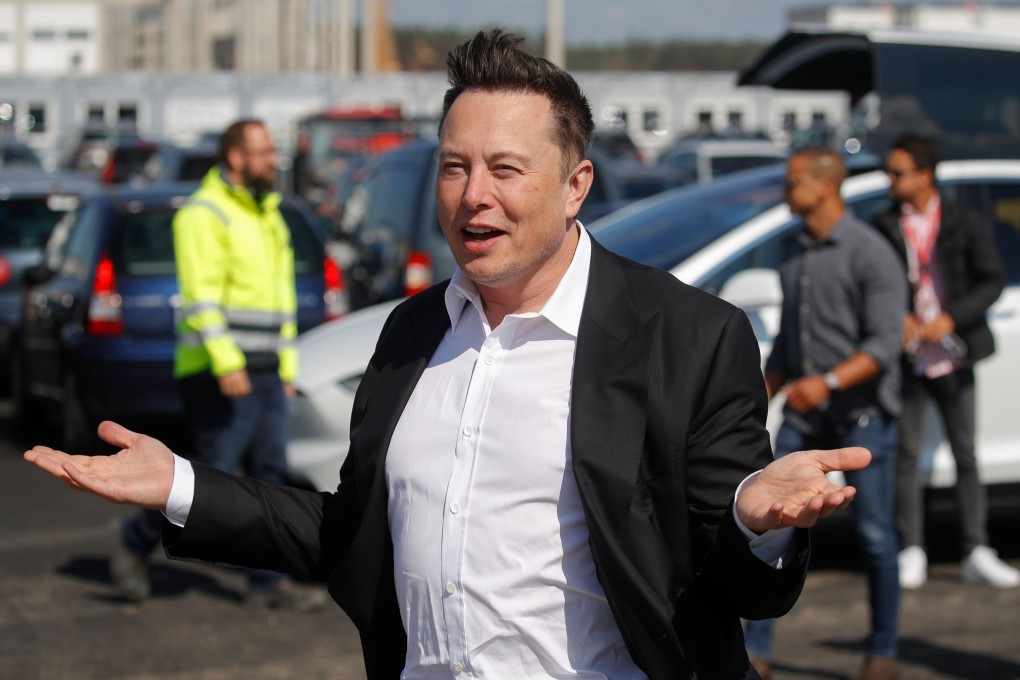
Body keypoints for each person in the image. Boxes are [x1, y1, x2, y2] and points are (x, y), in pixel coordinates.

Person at [27, 31, 873, 680]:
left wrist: (752, 524)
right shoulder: (410, 334)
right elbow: (350, 531)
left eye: (507, 169)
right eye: (456, 167)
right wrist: (180, 483)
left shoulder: (688, 336)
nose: (475, 195)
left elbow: (742, 593)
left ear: (576, 185)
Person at [111, 119, 325, 611]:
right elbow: (201, 299)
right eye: (264, 151)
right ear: (235, 158)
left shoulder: (267, 213)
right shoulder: (204, 214)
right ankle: (133, 540)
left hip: (266, 370)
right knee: (210, 476)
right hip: (219, 371)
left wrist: (286, 367)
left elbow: (280, 303)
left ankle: (267, 583)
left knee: (267, 478)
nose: (274, 159)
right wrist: (229, 364)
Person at [744, 148, 907, 680]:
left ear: (825, 187)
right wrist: (756, 400)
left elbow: (884, 344)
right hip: (806, 417)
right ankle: (758, 652)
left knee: (877, 536)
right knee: (778, 528)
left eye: (793, 184)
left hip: (862, 418)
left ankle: (882, 651)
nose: (786, 194)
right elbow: (791, 347)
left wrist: (830, 381)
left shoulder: (871, 252)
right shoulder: (793, 255)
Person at [872, 133, 1018, 590]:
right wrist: (898, 319)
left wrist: (952, 318)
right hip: (909, 355)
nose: (890, 180)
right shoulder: (883, 224)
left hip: (955, 350)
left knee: (965, 452)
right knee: (907, 454)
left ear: (924, 174)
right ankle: (912, 547)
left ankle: (976, 547)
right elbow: (875, 285)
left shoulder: (960, 220)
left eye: (898, 172)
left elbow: (991, 279)